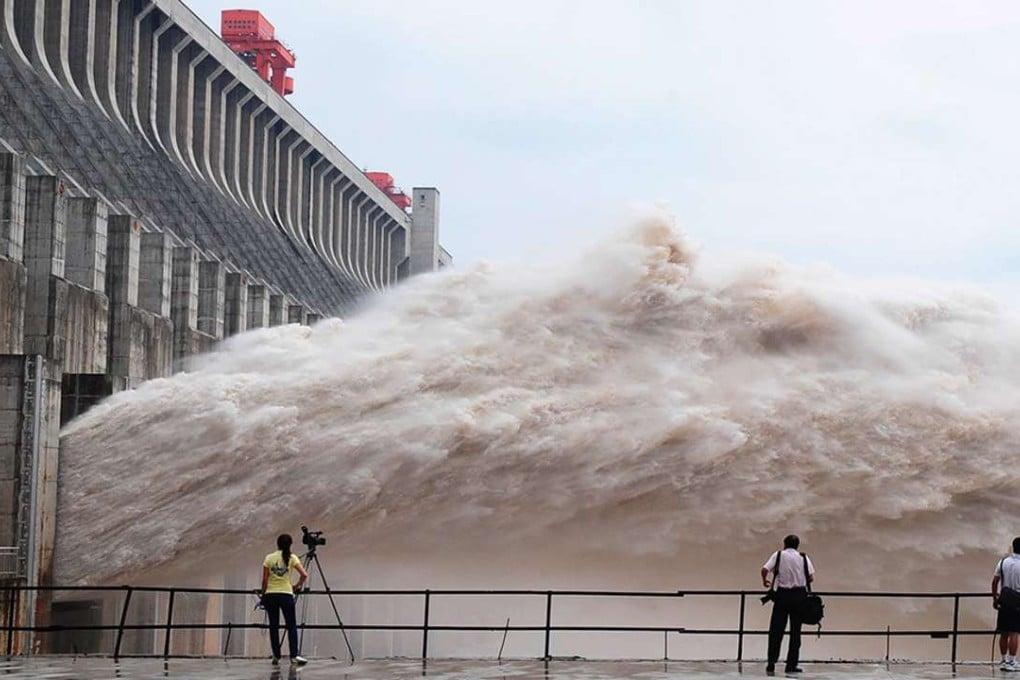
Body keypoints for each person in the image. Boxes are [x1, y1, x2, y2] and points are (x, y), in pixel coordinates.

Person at [761, 534, 815, 675]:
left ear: (785, 544)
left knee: (776, 631)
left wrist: (765, 581)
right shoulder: (803, 557)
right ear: (797, 545)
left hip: (782, 597)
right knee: (795, 633)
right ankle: (791, 665)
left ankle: (771, 663)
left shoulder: (778, 555)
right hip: (799, 597)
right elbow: (811, 577)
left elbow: (765, 570)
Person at [260, 533, 310, 666]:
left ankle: (276, 656)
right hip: (286, 594)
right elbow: (304, 575)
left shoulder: (269, 558)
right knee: (291, 625)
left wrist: (263, 594)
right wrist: (296, 586)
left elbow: (265, 579)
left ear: (277, 544)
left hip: (271, 595)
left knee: (273, 626)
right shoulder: (292, 558)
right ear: (290, 545)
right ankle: (294, 656)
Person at [993, 537, 1020, 671]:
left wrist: (995, 598)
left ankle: (1003, 660)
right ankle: (1012, 661)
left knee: (1003, 632)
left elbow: (995, 581)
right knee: (1014, 633)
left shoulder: (1003, 561)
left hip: (1004, 600)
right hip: (1018, 602)